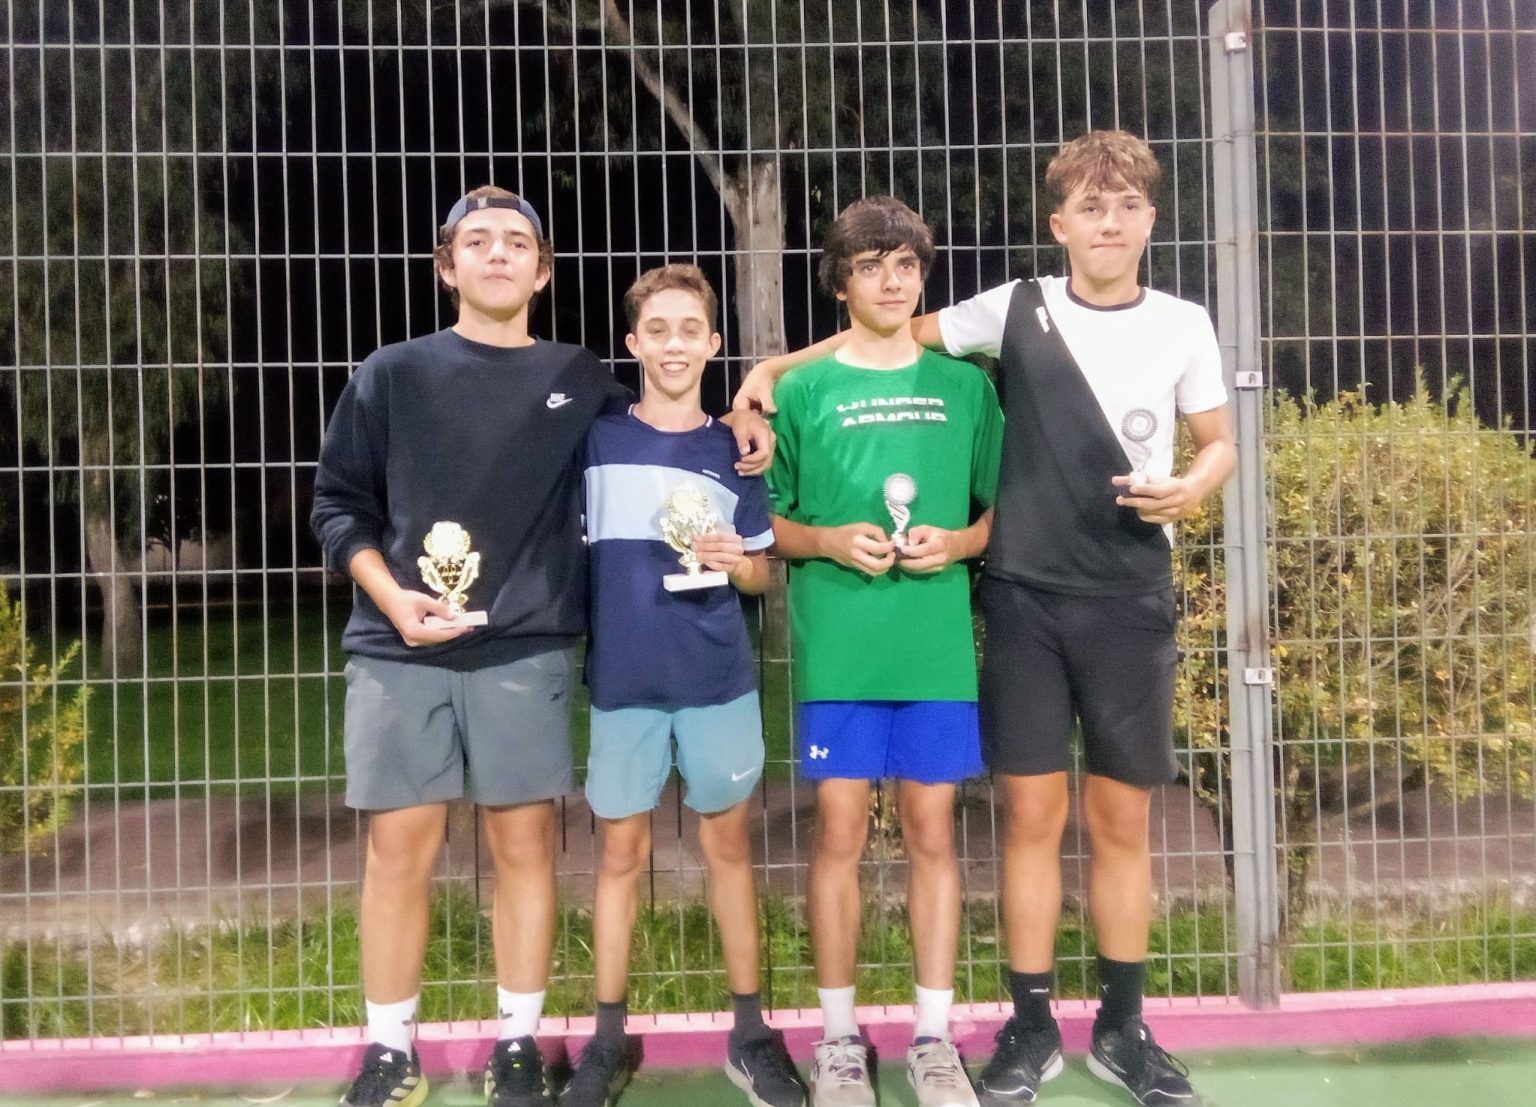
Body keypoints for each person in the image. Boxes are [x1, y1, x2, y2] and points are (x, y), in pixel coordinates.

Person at [736, 131, 1237, 1107]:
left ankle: (1124, 1030)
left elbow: (1218, 440)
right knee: (1030, 819)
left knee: (1121, 820)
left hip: (1129, 597)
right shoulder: (1013, 308)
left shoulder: (1184, 323)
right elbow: (886, 333)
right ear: (1059, 223)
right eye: (1090, 207)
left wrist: (1195, 484)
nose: (1109, 222)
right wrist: (774, 368)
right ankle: (1030, 1024)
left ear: (1150, 218)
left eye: (1126, 205)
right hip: (1021, 600)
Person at [312, 188, 772, 1107]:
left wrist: (740, 417)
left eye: (516, 242)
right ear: (446, 266)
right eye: (477, 241)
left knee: (524, 848)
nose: (497, 253)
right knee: (398, 851)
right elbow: (337, 505)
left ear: (543, 271)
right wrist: (390, 596)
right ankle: (389, 1050)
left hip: (523, 650)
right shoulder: (391, 373)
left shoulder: (579, 379)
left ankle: (516, 1044)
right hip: (398, 646)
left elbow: (666, 415)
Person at [766, 197, 1003, 1107]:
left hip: (934, 651)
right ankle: (837, 1040)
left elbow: (1003, 511)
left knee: (934, 832)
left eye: (905, 264)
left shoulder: (966, 388)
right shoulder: (802, 391)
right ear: (841, 282)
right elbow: (768, 525)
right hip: (841, 653)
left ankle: (933, 1041)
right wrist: (827, 541)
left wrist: (961, 542)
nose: (892, 281)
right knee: (840, 832)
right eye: (871, 266)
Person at [559, 263, 810, 1107]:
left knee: (728, 849)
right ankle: (605, 1039)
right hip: (622, 684)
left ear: (712, 342)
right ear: (634, 344)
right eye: (657, 330)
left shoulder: (735, 452)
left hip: (716, 682)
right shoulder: (597, 441)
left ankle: (750, 1032)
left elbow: (759, 576)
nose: (674, 345)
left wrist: (739, 564)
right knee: (618, 856)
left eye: (689, 330)